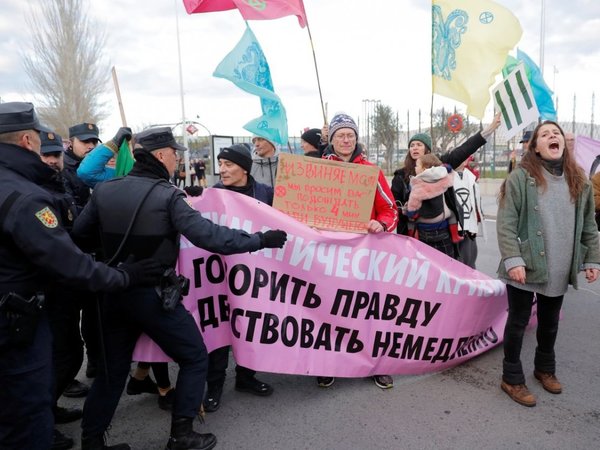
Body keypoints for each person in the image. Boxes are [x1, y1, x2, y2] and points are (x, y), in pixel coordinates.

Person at [73, 126, 287, 450]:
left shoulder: (105, 190)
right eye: (175, 153)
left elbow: (79, 236)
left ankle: (92, 442)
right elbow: (211, 237)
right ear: (161, 156)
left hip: (112, 291)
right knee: (194, 356)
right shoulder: (168, 196)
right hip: (152, 296)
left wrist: (116, 262)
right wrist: (260, 240)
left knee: (111, 372)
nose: (177, 159)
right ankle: (181, 435)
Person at [0, 101, 161, 450]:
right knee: (27, 417)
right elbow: (67, 260)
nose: (52, 157)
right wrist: (125, 276)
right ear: (28, 140)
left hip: (37, 298)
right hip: (20, 316)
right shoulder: (26, 197)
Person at [496, 120, 600, 407]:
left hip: (558, 265)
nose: (552, 136)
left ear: (563, 144)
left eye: (556, 133)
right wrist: (513, 259)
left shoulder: (579, 179)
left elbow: (589, 225)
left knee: (550, 323)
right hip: (524, 265)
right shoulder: (520, 178)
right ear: (536, 148)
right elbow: (505, 223)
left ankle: (544, 368)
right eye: (545, 134)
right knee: (517, 322)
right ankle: (512, 377)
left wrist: (592, 259)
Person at [319, 112, 398, 389]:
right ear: (331, 140)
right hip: (329, 256)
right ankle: (327, 363)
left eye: (350, 135)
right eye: (340, 135)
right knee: (328, 309)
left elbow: (390, 209)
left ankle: (376, 364)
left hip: (364, 256)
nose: (345, 139)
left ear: (356, 138)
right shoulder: (316, 169)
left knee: (368, 311)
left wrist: (382, 223)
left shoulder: (370, 170)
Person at [202, 144, 274, 413]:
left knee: (252, 326)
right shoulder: (213, 195)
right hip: (220, 274)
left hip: (256, 275)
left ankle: (246, 377)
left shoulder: (265, 193)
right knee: (220, 329)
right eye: (220, 164)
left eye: (228, 164)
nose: (222, 169)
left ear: (244, 167)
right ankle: (215, 385)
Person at [39, 130, 86, 450]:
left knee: (68, 353)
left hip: (65, 284)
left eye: (57, 154)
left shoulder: (63, 181)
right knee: (54, 357)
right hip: (45, 288)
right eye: (47, 155)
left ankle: (49, 410)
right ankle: (42, 424)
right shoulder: (28, 190)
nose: (54, 161)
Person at [391, 113, 501, 235]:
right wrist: (407, 208)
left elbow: (465, 149)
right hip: (412, 234)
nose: (414, 148)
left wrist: (489, 129)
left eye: (419, 145)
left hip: (440, 235)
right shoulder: (400, 176)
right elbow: (393, 206)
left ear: (427, 150)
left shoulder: (440, 165)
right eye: (412, 145)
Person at [405, 154, 462, 259]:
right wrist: (446, 168)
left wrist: (411, 212)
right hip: (443, 228)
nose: (415, 168)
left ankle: (412, 238)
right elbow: (451, 176)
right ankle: (455, 236)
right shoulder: (442, 178)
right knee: (446, 264)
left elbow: (414, 203)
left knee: (427, 265)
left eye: (417, 166)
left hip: (425, 231)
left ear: (425, 168)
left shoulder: (418, 183)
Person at [454, 156, 484, 269]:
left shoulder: (470, 177)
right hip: (456, 226)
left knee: (469, 257)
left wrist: (477, 215)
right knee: (460, 260)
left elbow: (476, 198)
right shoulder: (449, 177)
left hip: (469, 226)